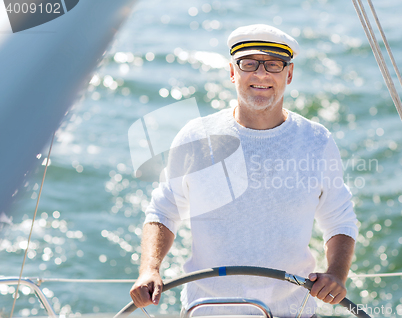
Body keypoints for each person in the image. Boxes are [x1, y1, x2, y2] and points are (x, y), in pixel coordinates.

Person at [130, 24, 358, 318]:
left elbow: (340, 219)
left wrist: (336, 274)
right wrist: (150, 269)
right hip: (206, 311)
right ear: (232, 72)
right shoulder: (196, 137)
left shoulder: (317, 141)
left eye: (273, 65)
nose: (261, 74)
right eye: (248, 64)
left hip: (291, 312)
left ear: (289, 74)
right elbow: (163, 211)